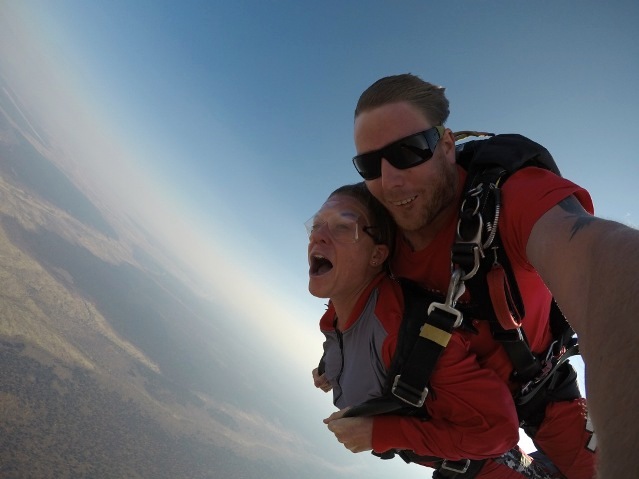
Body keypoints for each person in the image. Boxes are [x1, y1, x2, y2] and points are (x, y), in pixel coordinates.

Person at [325, 72, 639, 479]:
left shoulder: (507, 199)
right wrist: (333, 361)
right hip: (464, 417)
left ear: (447, 145)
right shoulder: (377, 234)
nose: (389, 182)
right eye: (369, 164)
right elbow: (357, 307)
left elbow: (607, 268)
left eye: (409, 151)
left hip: (543, 391)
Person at [308, 182, 559, 478]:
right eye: (316, 225)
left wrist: (381, 433)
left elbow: (499, 435)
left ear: (377, 255)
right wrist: (330, 367)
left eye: (342, 227)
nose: (318, 236)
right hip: (452, 465)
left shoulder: (409, 332)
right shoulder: (337, 315)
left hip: (490, 469)